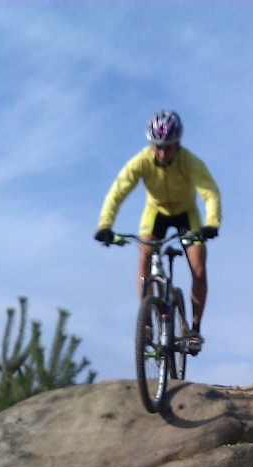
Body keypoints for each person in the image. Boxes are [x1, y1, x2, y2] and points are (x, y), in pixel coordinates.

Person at [95, 110, 221, 355]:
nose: (163, 154)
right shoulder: (142, 161)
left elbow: (209, 191)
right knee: (144, 254)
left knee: (198, 267)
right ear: (152, 145)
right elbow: (117, 191)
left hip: (186, 215)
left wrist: (212, 223)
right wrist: (105, 226)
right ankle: (147, 321)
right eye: (158, 147)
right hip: (156, 214)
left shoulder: (189, 161)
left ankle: (193, 329)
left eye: (169, 147)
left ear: (178, 144)